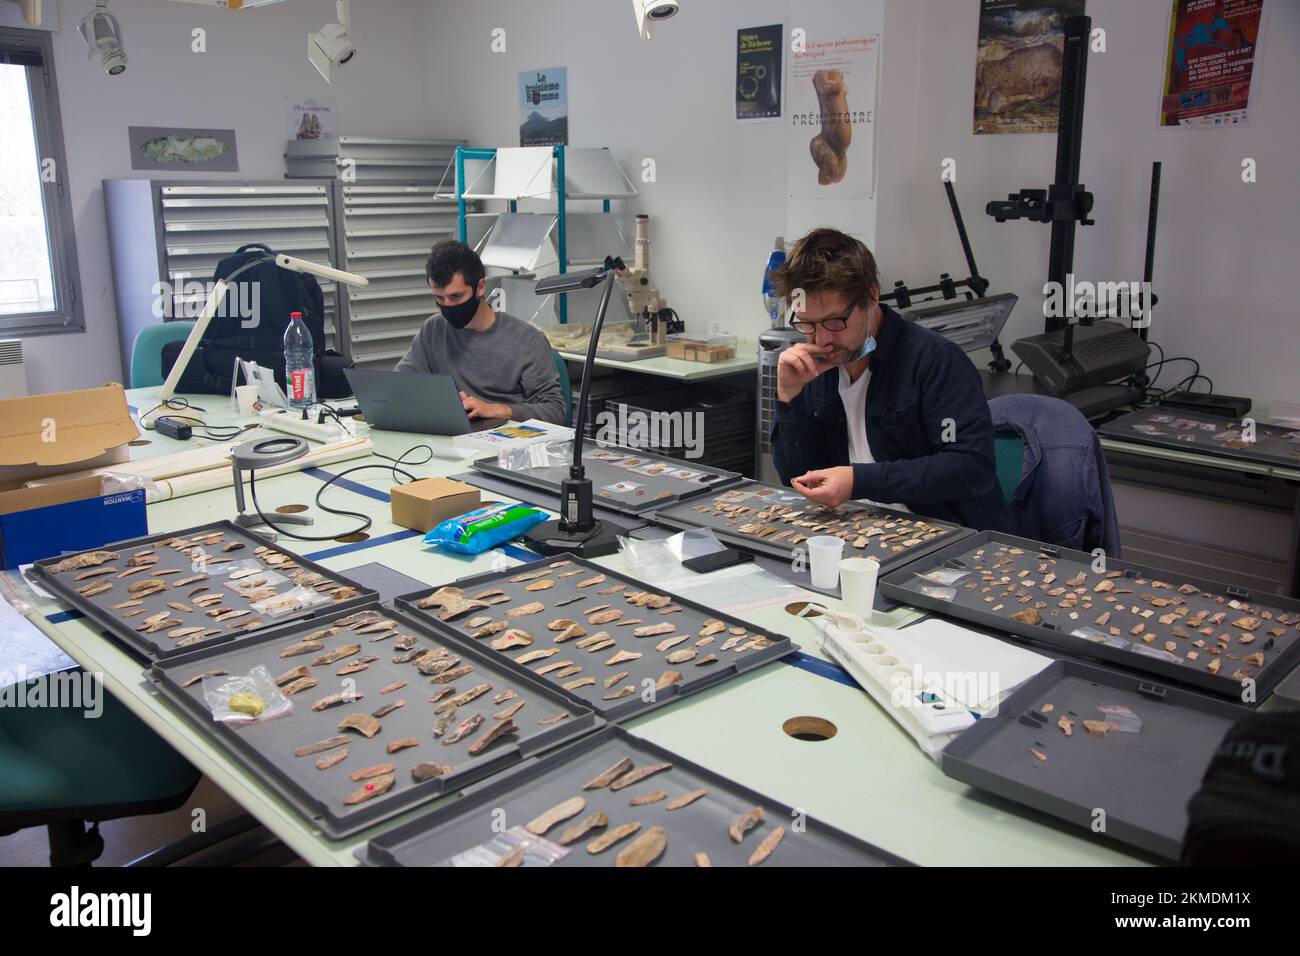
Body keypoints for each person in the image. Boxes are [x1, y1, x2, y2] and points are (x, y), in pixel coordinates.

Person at [769, 227, 1012, 531]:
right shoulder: (815, 365)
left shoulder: (935, 360)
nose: (822, 338)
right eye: (807, 324)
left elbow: (971, 467)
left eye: (834, 321)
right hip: (863, 531)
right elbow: (795, 474)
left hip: (950, 536)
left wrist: (859, 481)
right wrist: (788, 394)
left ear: (871, 296)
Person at [395, 240, 566, 425]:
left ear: (480, 287)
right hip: (453, 439)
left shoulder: (527, 340)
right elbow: (400, 385)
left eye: (456, 296)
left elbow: (555, 411)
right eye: (439, 298)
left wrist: (496, 409)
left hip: (505, 444)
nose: (447, 305)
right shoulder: (432, 330)